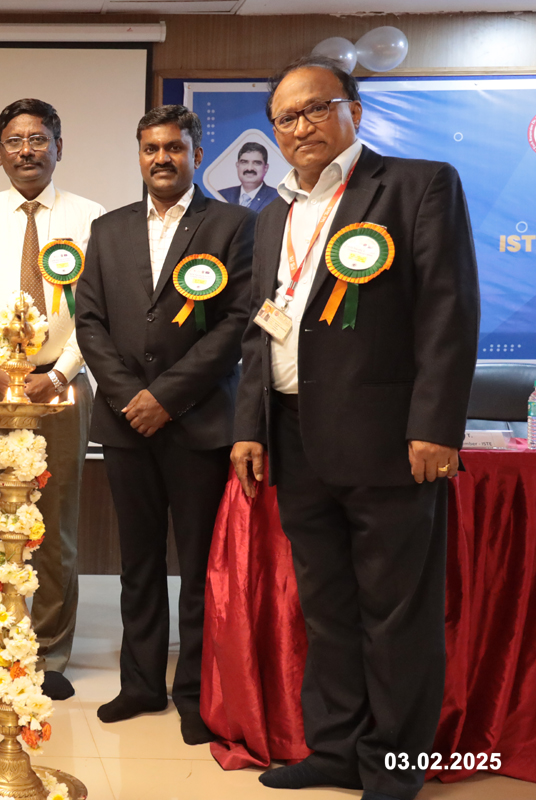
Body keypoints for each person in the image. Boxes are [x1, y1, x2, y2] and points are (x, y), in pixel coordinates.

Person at [230, 57, 478, 800]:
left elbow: (447, 310)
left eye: (315, 108)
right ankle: (336, 749)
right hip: (295, 437)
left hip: (390, 442)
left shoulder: (416, 185)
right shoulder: (272, 214)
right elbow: (261, 327)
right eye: (285, 117)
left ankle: (394, 768)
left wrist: (436, 425)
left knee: (396, 615)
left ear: (354, 111)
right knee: (327, 608)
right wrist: (250, 426)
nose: (299, 127)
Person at [75, 105, 254, 744]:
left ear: (196, 154)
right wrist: (132, 398)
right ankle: (142, 684)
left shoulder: (233, 224)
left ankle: (196, 696)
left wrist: (166, 398)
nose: (161, 158)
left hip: (199, 425)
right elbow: (89, 321)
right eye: (150, 148)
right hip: (127, 425)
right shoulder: (108, 228)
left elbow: (238, 322)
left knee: (200, 568)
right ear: (139, 155)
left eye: (174, 148)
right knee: (139, 563)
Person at [0, 98, 103, 702]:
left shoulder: (90, 217)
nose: (27, 150)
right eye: (14, 140)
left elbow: (96, 312)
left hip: (59, 386)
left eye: (39, 139)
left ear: (59, 148)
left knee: (56, 523)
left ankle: (50, 652)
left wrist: (59, 374)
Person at [219, 141, 276, 212]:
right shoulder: (221, 196)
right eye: (244, 162)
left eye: (256, 163)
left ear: (266, 168)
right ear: (237, 165)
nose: (249, 168)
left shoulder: (278, 199)